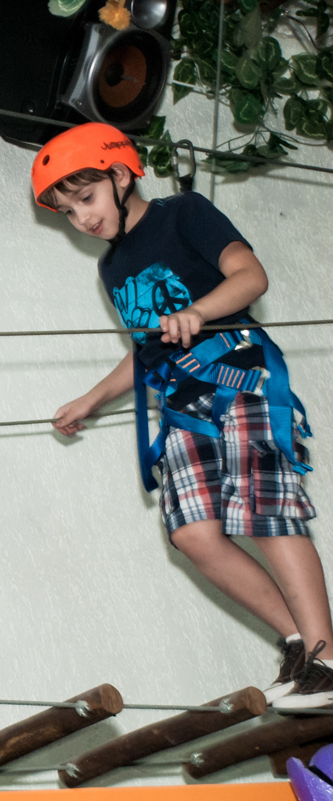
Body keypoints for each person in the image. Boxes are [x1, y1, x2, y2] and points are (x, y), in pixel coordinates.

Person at [36, 122, 330, 708]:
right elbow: (147, 350)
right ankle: (299, 643)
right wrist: (92, 398)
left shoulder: (183, 213)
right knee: (193, 534)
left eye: (87, 199)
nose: (83, 219)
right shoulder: (110, 268)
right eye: (68, 212)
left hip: (239, 374)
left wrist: (198, 311)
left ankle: (328, 656)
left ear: (121, 176)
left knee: (263, 510)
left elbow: (251, 276)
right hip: (181, 400)